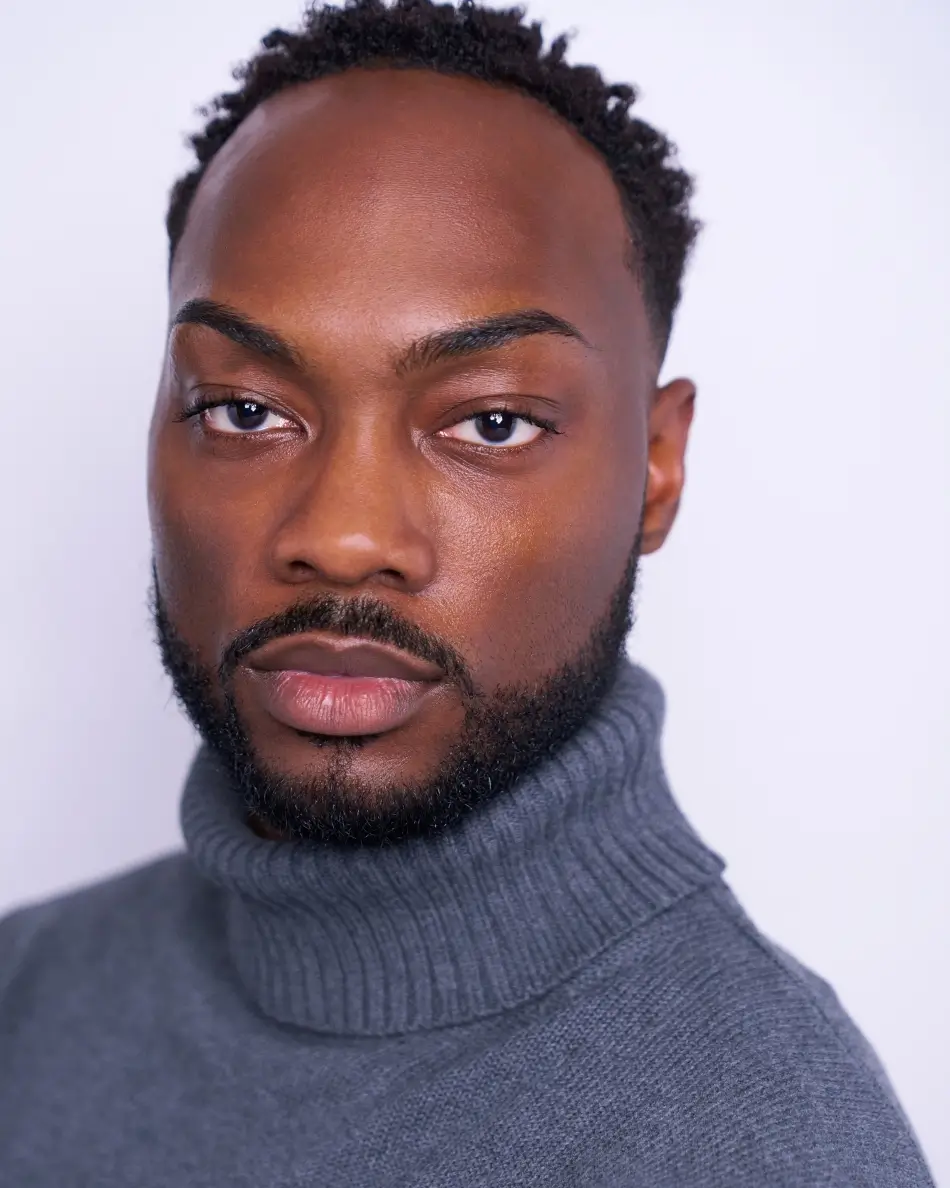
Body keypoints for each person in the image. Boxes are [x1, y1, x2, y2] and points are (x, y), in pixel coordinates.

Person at [0, 1, 934, 1183]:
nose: (341, 539)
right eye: (244, 410)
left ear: (656, 469)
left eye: (489, 421)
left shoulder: (758, 1137)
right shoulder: (28, 996)